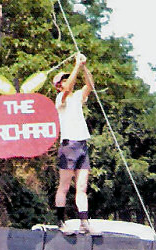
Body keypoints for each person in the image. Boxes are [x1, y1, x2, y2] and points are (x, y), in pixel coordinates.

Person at [53, 53, 100, 236]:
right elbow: (68, 89)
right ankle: (61, 221)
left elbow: (90, 85)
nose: (68, 80)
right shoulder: (60, 99)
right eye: (64, 79)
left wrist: (84, 66)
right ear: (59, 85)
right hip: (68, 146)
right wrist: (75, 66)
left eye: (68, 78)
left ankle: (84, 222)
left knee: (82, 187)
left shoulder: (78, 97)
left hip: (82, 145)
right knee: (64, 186)